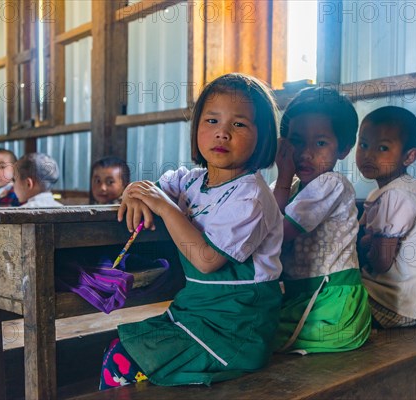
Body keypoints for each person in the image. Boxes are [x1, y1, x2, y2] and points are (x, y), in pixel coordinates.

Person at [100, 73, 283, 389]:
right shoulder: (191, 181)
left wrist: (164, 206)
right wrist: (132, 189)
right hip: (195, 312)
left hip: (234, 326)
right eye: (212, 120)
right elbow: (152, 190)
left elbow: (208, 260)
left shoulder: (250, 195)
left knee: (122, 359)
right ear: (196, 128)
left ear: (263, 137)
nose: (222, 133)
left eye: (239, 124)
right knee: (118, 350)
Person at [270, 88, 371, 354]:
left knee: (251, 335)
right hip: (300, 298)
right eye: (297, 141)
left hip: (332, 306)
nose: (305, 153)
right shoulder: (289, 185)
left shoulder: (332, 184)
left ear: (344, 149)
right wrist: (282, 179)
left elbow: (274, 234)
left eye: (320, 143)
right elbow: (263, 221)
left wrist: (281, 179)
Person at [356, 106, 416, 328]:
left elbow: (381, 262)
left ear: (409, 156)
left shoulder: (399, 193)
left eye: (382, 148)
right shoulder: (389, 191)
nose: (368, 155)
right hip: (408, 303)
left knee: (328, 298)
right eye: (364, 144)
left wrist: (366, 243)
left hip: (400, 306)